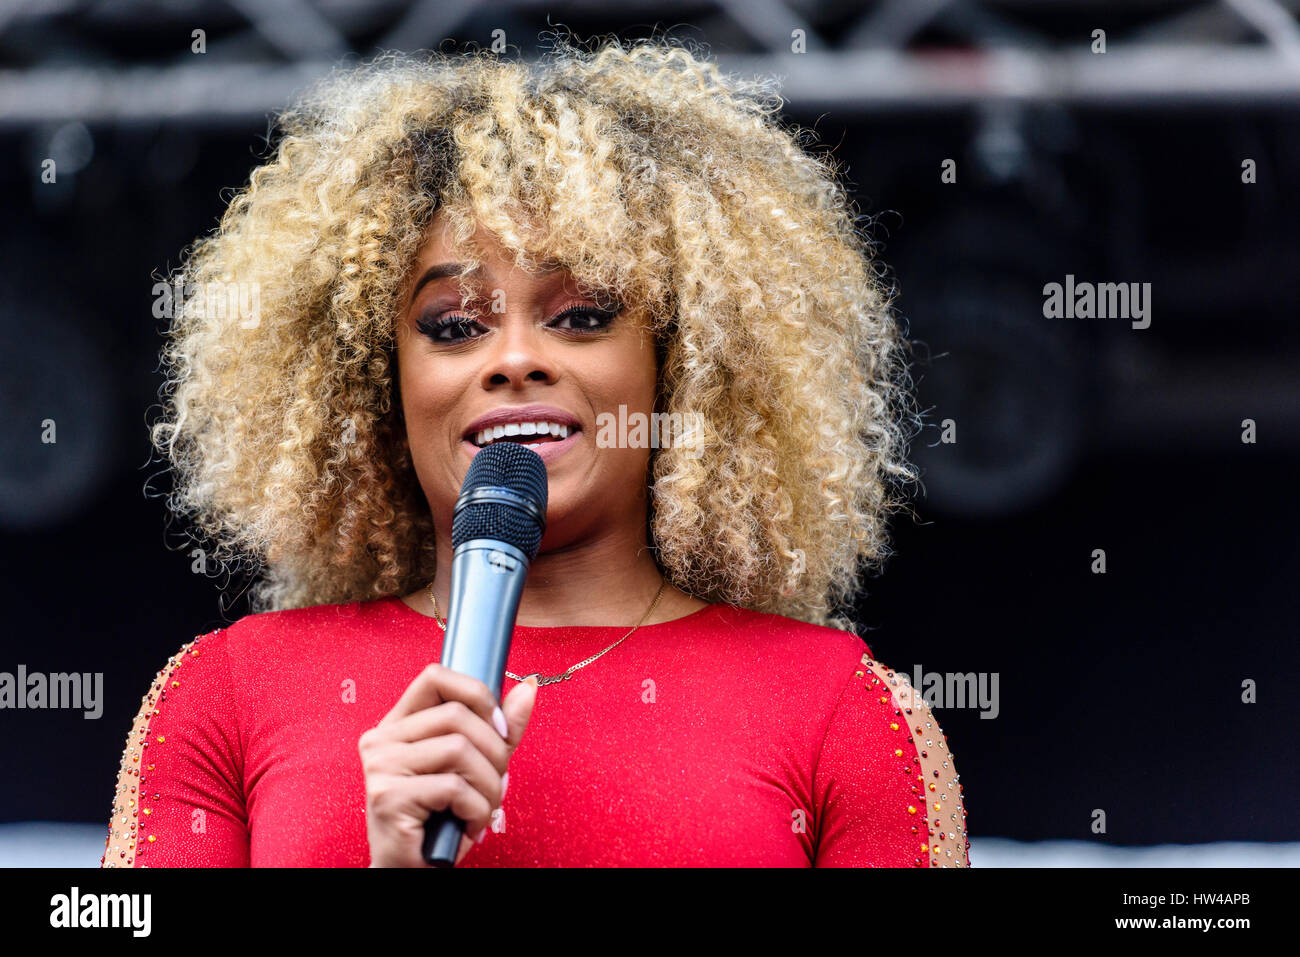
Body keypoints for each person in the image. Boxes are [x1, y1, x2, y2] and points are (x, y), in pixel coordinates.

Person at [101, 36, 969, 867]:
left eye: (582, 315)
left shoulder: (840, 710)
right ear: (375, 382)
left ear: (684, 365)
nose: (515, 358)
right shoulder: (227, 698)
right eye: (454, 326)